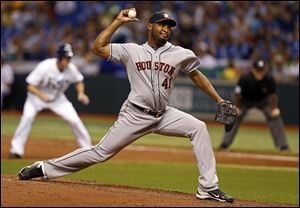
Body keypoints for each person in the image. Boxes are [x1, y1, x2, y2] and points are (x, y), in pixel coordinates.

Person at [18, 9, 234, 203]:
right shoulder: (131, 50)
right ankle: (44, 168)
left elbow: (196, 75)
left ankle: (208, 187)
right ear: (150, 26)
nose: (166, 29)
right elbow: (97, 48)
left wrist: (219, 100)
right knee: (100, 153)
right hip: (135, 114)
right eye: (161, 24)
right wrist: (117, 22)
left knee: (199, 128)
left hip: (164, 114)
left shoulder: (180, 53)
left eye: (169, 26)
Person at [9, 43, 92, 159]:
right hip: (36, 98)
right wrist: (41, 95)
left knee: (75, 120)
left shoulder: (71, 69)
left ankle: (88, 150)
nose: (68, 61)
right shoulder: (45, 66)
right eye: (66, 58)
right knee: (27, 118)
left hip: (58, 99)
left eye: (69, 58)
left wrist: (81, 93)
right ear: (59, 57)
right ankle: (16, 150)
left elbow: (79, 80)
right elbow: (29, 85)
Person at [218, 59, 290, 152]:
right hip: (244, 101)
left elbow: (273, 95)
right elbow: (238, 95)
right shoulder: (245, 78)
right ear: (253, 70)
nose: (260, 73)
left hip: (263, 101)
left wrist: (274, 108)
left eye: (262, 70)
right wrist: (237, 107)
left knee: (275, 117)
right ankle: (225, 144)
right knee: (233, 115)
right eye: (258, 70)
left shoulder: (269, 78)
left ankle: (283, 145)